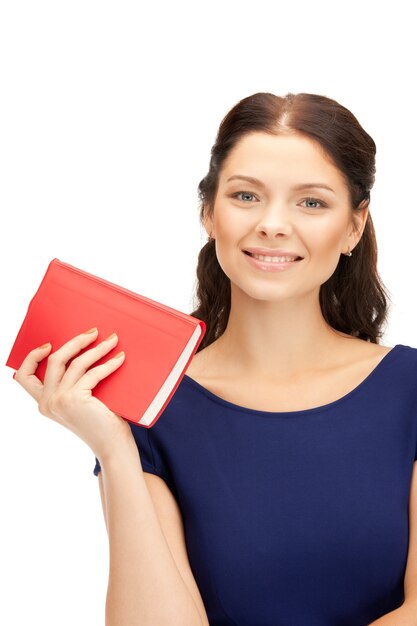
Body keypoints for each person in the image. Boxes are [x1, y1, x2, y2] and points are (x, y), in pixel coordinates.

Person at [13, 92, 417, 626]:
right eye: (246, 196)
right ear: (209, 212)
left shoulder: (409, 390)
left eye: (312, 202)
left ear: (354, 226)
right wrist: (114, 448)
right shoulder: (152, 409)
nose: (273, 224)